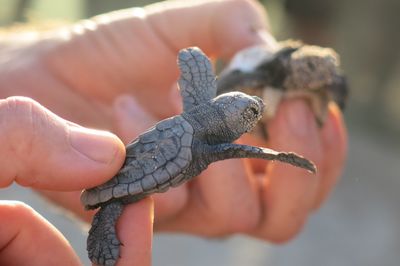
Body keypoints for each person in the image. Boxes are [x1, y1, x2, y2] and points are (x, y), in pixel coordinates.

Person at [0, 0, 347, 265]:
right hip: (122, 176)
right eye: (251, 112)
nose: (253, 110)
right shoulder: (208, 140)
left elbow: (194, 61)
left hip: (132, 161)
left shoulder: (204, 123)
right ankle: (102, 236)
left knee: (123, 207)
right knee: (115, 206)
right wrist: (285, 157)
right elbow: (249, 149)